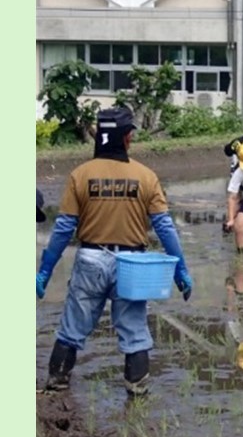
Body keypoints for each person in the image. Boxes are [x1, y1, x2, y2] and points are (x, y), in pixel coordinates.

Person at [35, 106, 193, 396]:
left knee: (72, 327)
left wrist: (46, 269)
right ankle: (137, 392)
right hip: (131, 266)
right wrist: (180, 269)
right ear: (128, 138)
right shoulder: (145, 177)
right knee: (134, 331)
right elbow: (165, 227)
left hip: (90, 260)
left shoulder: (80, 175)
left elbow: (63, 228)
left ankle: (56, 385)